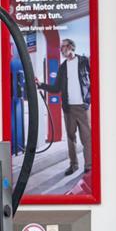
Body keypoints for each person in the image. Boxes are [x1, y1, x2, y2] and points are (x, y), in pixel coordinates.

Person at [37, 38, 92, 176]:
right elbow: (56, 88)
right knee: (70, 138)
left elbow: (94, 81)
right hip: (68, 109)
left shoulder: (84, 62)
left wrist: (91, 100)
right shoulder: (62, 67)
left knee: (87, 138)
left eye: (64, 47)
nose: (62, 49)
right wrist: (41, 85)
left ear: (71, 47)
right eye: (61, 48)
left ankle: (89, 165)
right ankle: (73, 165)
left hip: (83, 107)